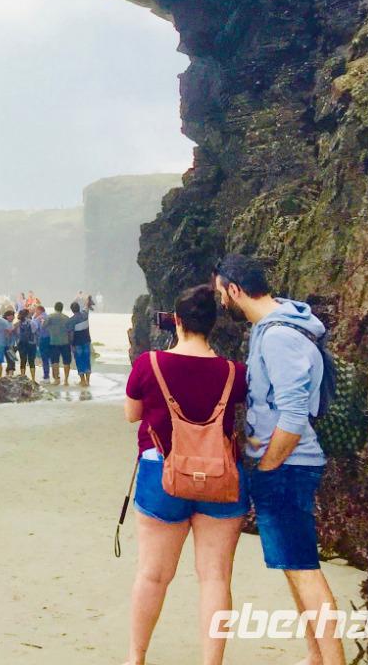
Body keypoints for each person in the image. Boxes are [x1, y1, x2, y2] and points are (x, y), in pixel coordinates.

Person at [215, 255, 343, 665]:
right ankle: (316, 657)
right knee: (294, 567)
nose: (221, 302)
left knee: (304, 570)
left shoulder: (277, 337)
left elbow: (292, 414)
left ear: (235, 290)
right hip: (286, 464)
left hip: (288, 467)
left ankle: (332, 661)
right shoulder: (271, 328)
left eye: (221, 293)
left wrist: (267, 466)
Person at [123, 283, 248, 665]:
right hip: (221, 477)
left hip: (163, 475)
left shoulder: (149, 364)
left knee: (154, 575)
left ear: (175, 321)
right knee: (215, 578)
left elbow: (132, 415)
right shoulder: (234, 373)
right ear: (213, 324)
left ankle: (136, 658)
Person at [44, 301, 73, 385]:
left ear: (55, 307)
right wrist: (71, 341)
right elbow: (70, 331)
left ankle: (56, 379)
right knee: (66, 362)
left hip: (54, 342)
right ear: (62, 308)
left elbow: (43, 326)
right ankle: (66, 380)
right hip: (65, 342)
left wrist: (50, 329)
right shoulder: (67, 318)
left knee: (55, 361)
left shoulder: (50, 317)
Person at [69, 298, 93, 387]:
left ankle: (82, 381)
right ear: (79, 308)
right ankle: (88, 381)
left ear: (72, 310)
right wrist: (88, 300)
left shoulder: (71, 320)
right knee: (87, 360)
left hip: (77, 343)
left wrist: (71, 344)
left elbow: (70, 334)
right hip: (87, 341)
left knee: (79, 361)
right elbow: (86, 307)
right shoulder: (85, 314)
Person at [16, 307, 39, 379]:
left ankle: (22, 377)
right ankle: (33, 378)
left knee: (23, 361)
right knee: (31, 361)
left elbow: (17, 334)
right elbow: (35, 331)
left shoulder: (18, 324)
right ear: (28, 314)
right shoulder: (32, 322)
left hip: (21, 344)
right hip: (31, 344)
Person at [36, 304, 53, 381]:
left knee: (44, 358)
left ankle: (46, 376)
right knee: (49, 357)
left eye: (36, 310)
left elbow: (35, 328)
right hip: (50, 339)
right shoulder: (48, 316)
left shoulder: (40, 317)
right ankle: (54, 375)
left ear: (39, 310)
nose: (35, 312)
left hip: (43, 339)